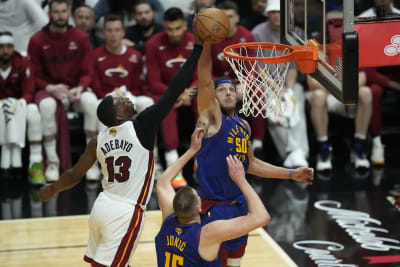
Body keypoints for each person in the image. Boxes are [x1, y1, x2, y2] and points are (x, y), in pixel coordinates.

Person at [38, 20, 203, 266]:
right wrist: (198, 49)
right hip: (125, 213)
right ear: (118, 116)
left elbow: (74, 175)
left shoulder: (97, 141)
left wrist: (52, 189)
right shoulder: (142, 125)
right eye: (121, 101)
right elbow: (175, 86)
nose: (125, 98)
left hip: (101, 207)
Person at [196, 41, 313, 266]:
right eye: (222, 89)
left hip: (239, 205)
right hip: (214, 208)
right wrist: (205, 45)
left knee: (235, 263)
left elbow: (251, 164)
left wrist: (292, 174)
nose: (228, 92)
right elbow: (203, 78)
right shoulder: (210, 119)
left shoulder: (243, 126)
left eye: (231, 89)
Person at [155, 128, 270, 267]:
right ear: (199, 207)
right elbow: (262, 217)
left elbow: (162, 183)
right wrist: (241, 180)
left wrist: (191, 151)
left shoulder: (168, 220)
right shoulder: (207, 234)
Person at [28, 0, 92, 182]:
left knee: (92, 104)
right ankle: (52, 162)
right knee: (47, 106)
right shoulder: (37, 40)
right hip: (49, 89)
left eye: (63, 11)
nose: (60, 16)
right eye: (56, 12)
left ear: (69, 12)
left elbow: (88, 71)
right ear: (49, 14)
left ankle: (92, 163)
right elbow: (34, 75)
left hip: (75, 89)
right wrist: (51, 88)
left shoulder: (81, 38)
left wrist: (80, 88)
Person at [88, 14, 155, 180]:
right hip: (104, 98)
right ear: (104, 33)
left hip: (128, 96)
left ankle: (153, 159)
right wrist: (110, 97)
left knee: (148, 103)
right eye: (109, 30)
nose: (113, 34)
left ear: (123, 32)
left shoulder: (135, 56)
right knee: (98, 108)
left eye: (117, 30)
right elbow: (95, 84)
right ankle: (96, 162)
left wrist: (127, 95)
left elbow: (138, 85)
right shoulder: (96, 55)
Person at [251, 0, 309, 167]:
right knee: (275, 109)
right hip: (265, 83)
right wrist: (276, 89)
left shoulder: (295, 33)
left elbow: (293, 66)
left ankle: (299, 152)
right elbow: (258, 67)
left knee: (295, 102)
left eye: (279, 12)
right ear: (267, 14)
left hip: (289, 82)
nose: (276, 15)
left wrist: (288, 90)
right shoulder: (257, 33)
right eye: (273, 12)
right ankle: (289, 153)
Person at [146, 7, 198, 178]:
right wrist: (178, 94)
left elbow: (201, 76)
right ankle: (172, 160)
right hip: (166, 92)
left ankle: (202, 157)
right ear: (164, 26)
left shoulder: (195, 42)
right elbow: (154, 82)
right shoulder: (153, 43)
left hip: (191, 92)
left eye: (177, 28)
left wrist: (189, 93)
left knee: (205, 98)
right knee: (165, 104)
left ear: (185, 26)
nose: (174, 33)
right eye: (169, 29)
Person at [0, 32, 43, 185]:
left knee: (33, 113)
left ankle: (35, 164)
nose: (5, 50)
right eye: (1, 47)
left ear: (14, 48)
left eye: (9, 46)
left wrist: (19, 104)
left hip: (19, 105)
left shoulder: (23, 63)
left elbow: (29, 91)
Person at [307, 73, 372, 171]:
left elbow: (362, 78)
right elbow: (312, 82)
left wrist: (344, 89)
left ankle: (359, 145)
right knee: (318, 95)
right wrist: (336, 87)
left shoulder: (352, 56)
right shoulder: (315, 56)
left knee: (365, 92)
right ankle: (323, 148)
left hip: (347, 93)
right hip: (326, 94)